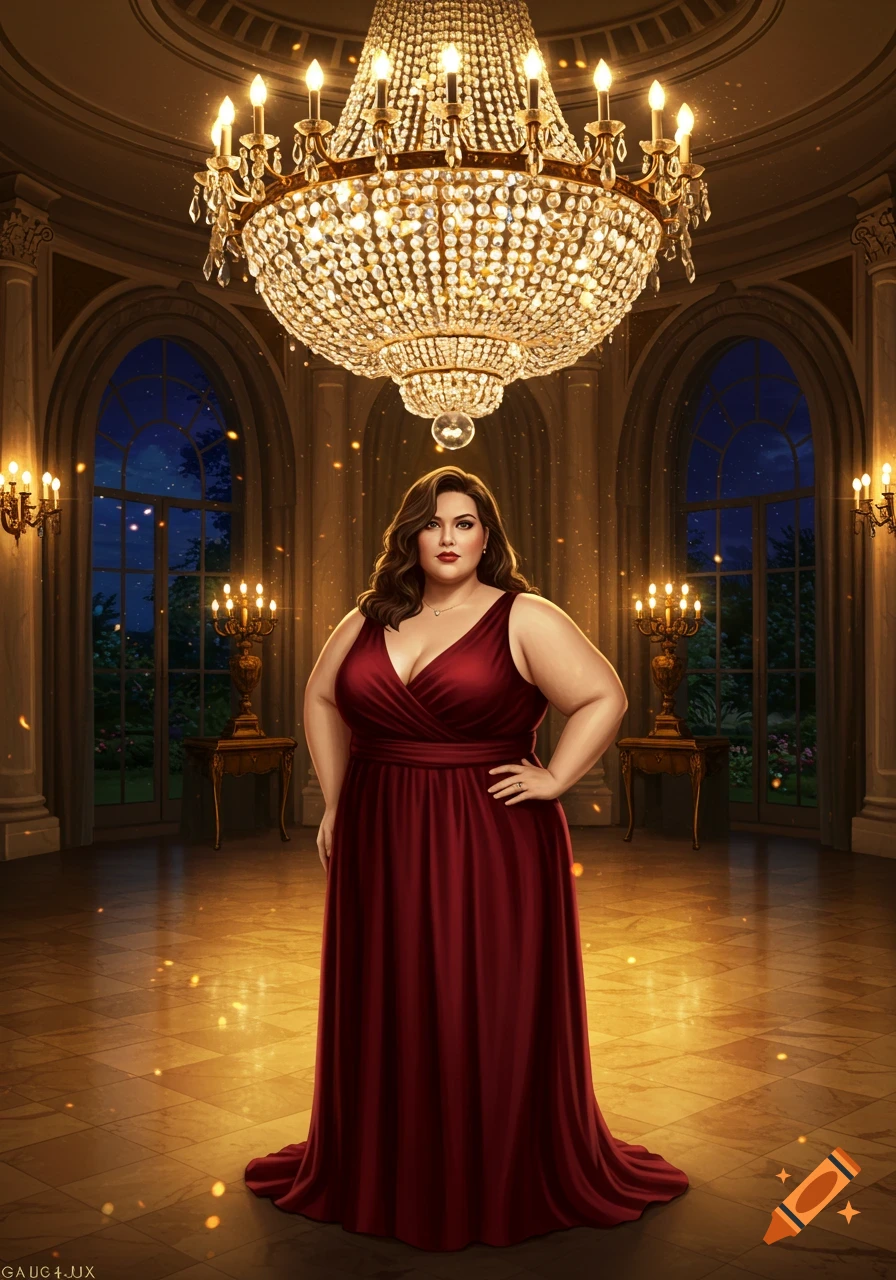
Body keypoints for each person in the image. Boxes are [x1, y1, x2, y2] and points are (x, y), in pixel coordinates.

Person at [244, 465, 689, 1250]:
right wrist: (338, 801)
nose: (447, 539)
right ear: (411, 536)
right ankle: (387, 1162)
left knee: (483, 996)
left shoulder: (526, 615)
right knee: (392, 990)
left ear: (487, 537)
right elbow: (319, 698)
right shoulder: (368, 616)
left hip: (490, 837)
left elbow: (606, 696)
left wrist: (554, 777)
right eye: (432, 524)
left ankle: (498, 1165)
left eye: (464, 524)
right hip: (377, 832)